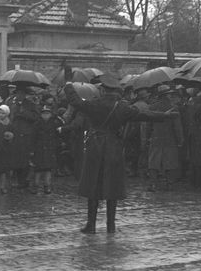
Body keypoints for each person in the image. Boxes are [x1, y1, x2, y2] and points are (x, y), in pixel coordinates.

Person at [63, 75, 178, 234]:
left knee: (93, 186)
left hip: (95, 147)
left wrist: (68, 85)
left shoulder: (94, 104)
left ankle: (91, 224)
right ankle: (111, 225)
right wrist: (165, 116)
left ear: (103, 90)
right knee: (113, 187)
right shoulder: (123, 108)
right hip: (114, 148)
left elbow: (75, 101)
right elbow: (144, 115)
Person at [146, 85, 183, 191]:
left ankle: (153, 184)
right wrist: (180, 140)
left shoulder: (152, 107)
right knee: (170, 161)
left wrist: (147, 138)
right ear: (167, 95)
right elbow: (177, 127)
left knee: (154, 162)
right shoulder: (173, 108)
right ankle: (170, 184)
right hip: (170, 138)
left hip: (155, 138)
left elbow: (148, 126)